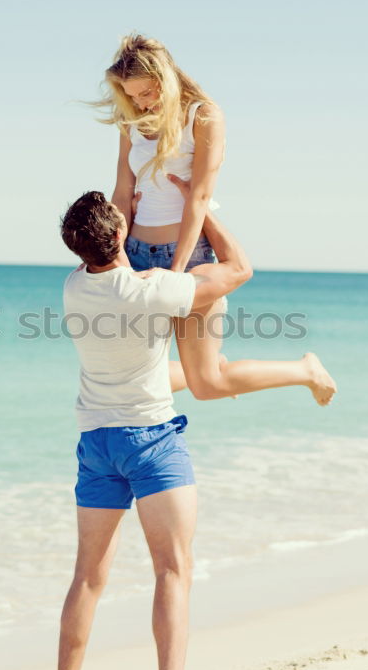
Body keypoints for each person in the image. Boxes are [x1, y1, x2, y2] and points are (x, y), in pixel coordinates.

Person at [54, 183, 336, 670]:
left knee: (88, 578)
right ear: (120, 234)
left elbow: (106, 244)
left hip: (95, 443)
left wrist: (123, 214)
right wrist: (198, 208)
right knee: (172, 570)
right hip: (150, 443)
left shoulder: (74, 286)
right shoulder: (152, 288)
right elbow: (239, 268)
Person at [94, 32, 305, 401]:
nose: (140, 104)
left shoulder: (203, 116)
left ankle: (305, 370)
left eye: (145, 93)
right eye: (132, 97)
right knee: (129, 373)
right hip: (136, 253)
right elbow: (123, 193)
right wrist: (117, 258)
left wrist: (176, 272)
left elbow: (200, 197)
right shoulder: (131, 123)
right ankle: (201, 367)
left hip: (188, 257)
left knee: (207, 386)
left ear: (165, 80)